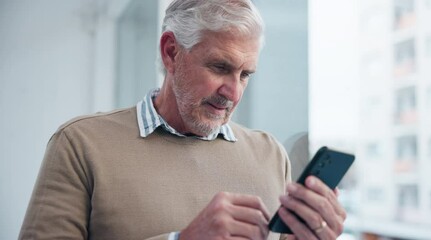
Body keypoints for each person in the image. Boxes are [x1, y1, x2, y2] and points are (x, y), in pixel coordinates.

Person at [19, 0, 346, 239]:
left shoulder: (270, 153)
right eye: (220, 67)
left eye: (245, 75)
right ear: (171, 52)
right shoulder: (80, 144)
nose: (233, 92)